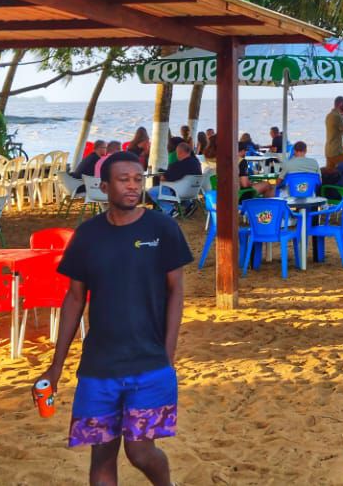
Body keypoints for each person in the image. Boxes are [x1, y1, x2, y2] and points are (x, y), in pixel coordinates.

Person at [40, 151, 192, 485]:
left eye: (138, 179)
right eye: (124, 180)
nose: (132, 186)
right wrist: (56, 366)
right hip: (99, 367)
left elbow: (176, 292)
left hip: (150, 362)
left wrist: (168, 354)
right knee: (102, 456)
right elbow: (74, 299)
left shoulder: (162, 228)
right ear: (104, 186)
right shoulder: (88, 236)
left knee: (139, 451)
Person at [147, 142, 202, 212]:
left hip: (178, 192)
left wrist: (161, 177)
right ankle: (188, 204)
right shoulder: (196, 162)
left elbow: (164, 178)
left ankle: (169, 209)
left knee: (152, 191)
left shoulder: (179, 165)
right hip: (192, 192)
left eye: (177, 153)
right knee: (178, 185)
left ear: (180, 152)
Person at [324, 97, 343, 174]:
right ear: (341, 105)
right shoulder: (337, 117)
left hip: (329, 150)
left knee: (330, 174)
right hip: (337, 151)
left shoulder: (329, 115)